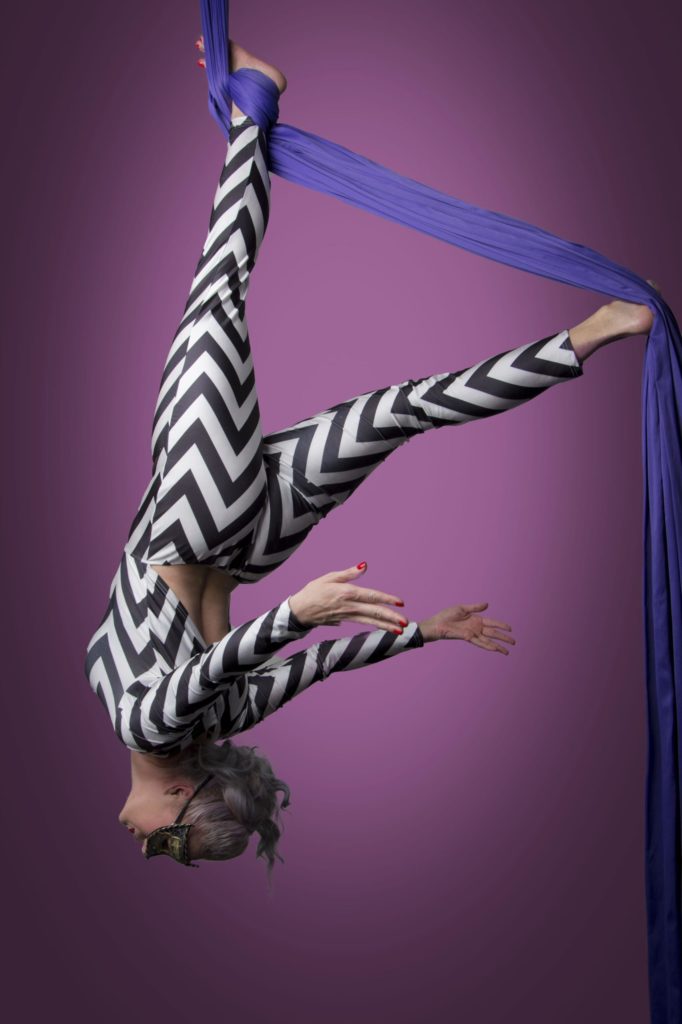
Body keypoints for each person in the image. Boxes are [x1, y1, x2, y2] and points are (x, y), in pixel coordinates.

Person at [85, 37, 658, 874]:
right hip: (200, 515)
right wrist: (307, 616)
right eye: (169, 844)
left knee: (402, 410)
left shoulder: (218, 721)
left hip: (245, 537)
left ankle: (599, 331)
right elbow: (276, 661)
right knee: (219, 301)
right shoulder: (151, 724)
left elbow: (307, 665)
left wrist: (421, 635)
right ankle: (255, 100)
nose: (148, 849)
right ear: (180, 794)